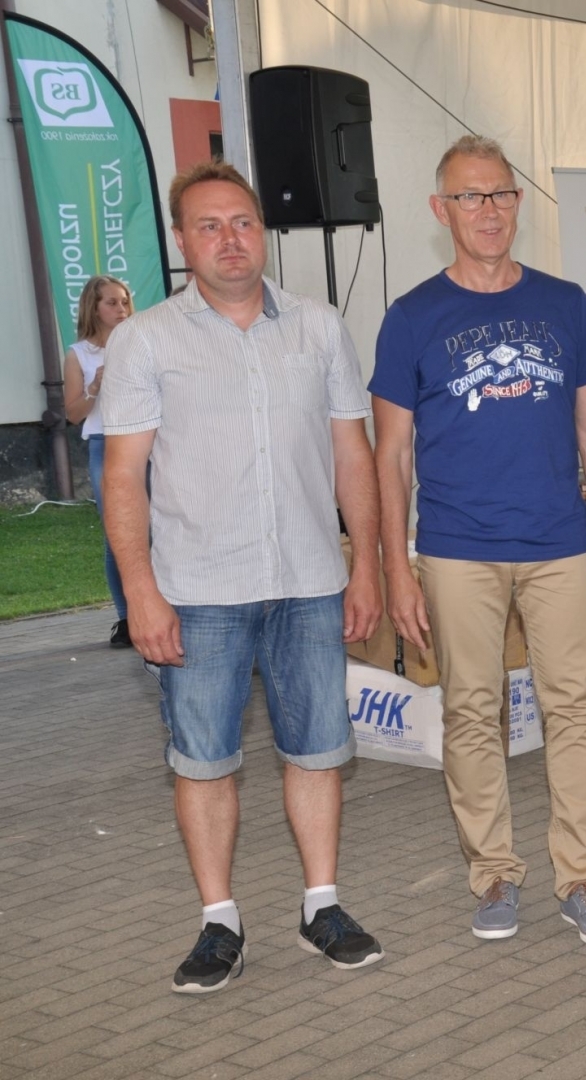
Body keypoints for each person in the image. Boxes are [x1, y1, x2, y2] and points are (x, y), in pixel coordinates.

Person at [99, 161, 386, 993]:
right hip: (197, 590)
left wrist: (362, 564)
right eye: (209, 226)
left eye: (244, 222)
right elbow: (124, 480)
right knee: (203, 760)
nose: (230, 239)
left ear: (263, 231)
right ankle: (219, 923)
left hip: (307, 579)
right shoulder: (146, 339)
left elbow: (351, 455)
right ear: (182, 241)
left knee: (318, 748)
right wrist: (142, 591)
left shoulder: (320, 328)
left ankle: (322, 907)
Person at [372, 135, 586, 947]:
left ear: (518, 203)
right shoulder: (411, 316)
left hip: (557, 542)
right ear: (440, 211)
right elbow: (391, 458)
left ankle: (581, 877)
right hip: (455, 548)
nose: (488, 211)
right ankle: (492, 875)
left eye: (500, 195)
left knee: (574, 710)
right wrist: (397, 572)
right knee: (472, 710)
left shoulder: (563, 305)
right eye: (470, 197)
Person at [63, 274, 134, 648]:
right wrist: (95, 387)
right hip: (105, 444)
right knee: (118, 533)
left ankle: (168, 610)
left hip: (145, 443)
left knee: (160, 530)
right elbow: (74, 413)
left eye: (124, 301)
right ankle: (126, 619)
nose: (121, 309)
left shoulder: (140, 343)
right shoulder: (79, 354)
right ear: (94, 307)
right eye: (112, 302)